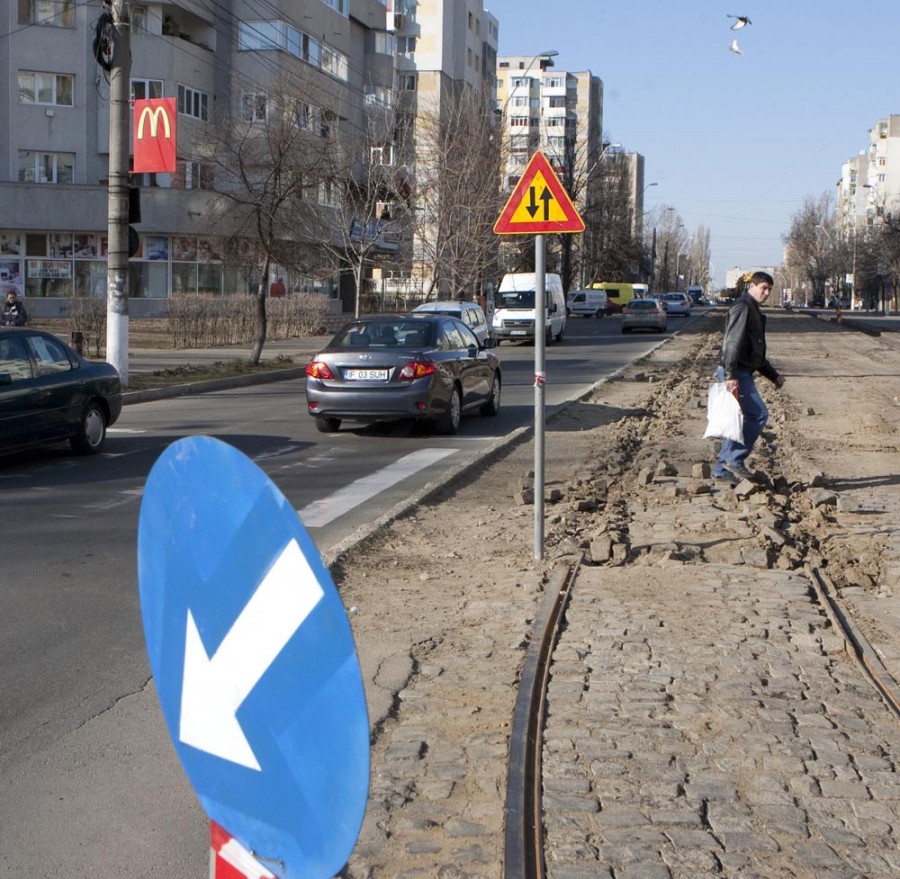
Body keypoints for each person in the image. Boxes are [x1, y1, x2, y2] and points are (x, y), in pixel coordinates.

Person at [712, 271, 784, 483]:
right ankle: (733, 459)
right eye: (763, 287)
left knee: (737, 420)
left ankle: (722, 470)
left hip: (741, 370)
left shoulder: (752, 309)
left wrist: (773, 375)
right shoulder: (743, 307)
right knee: (758, 414)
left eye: (769, 289)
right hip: (736, 372)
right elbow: (732, 342)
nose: (766, 292)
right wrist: (730, 373)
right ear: (751, 286)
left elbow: (754, 351)